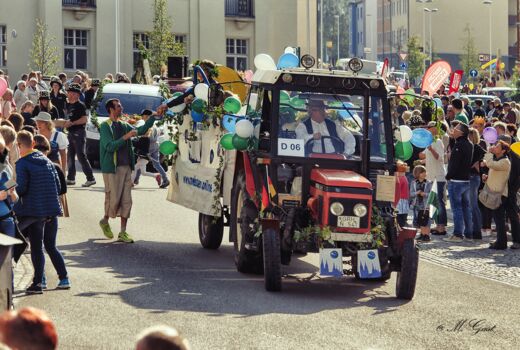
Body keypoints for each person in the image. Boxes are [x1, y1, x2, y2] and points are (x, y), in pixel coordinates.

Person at [98, 98, 158, 243]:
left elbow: (141, 130)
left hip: (126, 167)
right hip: (112, 168)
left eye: (120, 106)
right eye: (118, 106)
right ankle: (105, 221)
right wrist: (126, 137)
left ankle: (123, 232)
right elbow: (109, 147)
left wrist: (153, 117)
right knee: (113, 199)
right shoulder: (106, 126)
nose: (121, 108)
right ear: (111, 109)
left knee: (126, 200)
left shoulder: (124, 125)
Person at [14, 131, 63, 294]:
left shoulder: (22, 163)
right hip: (45, 211)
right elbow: (57, 186)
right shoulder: (47, 161)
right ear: (33, 144)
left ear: (20, 145)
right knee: (37, 246)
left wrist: (9, 188)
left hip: (29, 210)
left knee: (16, 239)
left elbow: (22, 188)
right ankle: (37, 283)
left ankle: (35, 281)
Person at [33, 135, 70, 289]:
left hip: (37, 212)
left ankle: (40, 279)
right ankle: (64, 278)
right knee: (51, 246)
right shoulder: (55, 167)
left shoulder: (32, 165)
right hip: (53, 211)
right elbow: (63, 189)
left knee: (36, 247)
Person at [444, 122, 473, 242]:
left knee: (457, 208)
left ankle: (458, 234)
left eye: (455, 129)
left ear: (461, 132)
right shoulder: (469, 144)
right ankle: (468, 234)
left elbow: (454, 164)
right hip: (466, 179)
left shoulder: (459, 145)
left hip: (456, 181)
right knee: (466, 207)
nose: (453, 130)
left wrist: (448, 176)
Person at [64, 83, 96, 187]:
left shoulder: (80, 105)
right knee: (70, 156)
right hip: (70, 132)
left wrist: (72, 123)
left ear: (78, 95)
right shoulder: (68, 105)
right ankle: (71, 178)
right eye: (69, 93)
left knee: (81, 155)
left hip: (79, 133)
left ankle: (91, 178)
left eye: (73, 93)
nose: (70, 95)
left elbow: (84, 119)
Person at [481, 140, 511, 250]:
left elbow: (491, 164)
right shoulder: (498, 159)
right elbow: (495, 170)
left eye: (497, 146)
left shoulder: (505, 161)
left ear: (503, 150)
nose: (494, 147)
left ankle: (501, 243)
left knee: (499, 219)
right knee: (498, 219)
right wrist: (487, 178)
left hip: (500, 194)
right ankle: (500, 241)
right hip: (494, 192)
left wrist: (488, 152)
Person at [422, 121, 447, 236]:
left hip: (439, 176)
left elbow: (439, 158)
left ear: (435, 129)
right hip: (431, 176)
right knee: (434, 202)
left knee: (440, 203)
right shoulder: (428, 142)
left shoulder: (438, 141)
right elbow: (424, 155)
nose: (427, 129)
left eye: (429, 127)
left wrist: (431, 150)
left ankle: (442, 227)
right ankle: (437, 226)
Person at [133, 109, 169, 188]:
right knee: (155, 164)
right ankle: (165, 179)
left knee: (141, 161)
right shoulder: (155, 125)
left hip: (149, 146)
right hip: (156, 145)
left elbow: (147, 138)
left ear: (146, 116)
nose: (142, 117)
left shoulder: (149, 126)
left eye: (143, 116)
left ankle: (136, 179)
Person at [468, 128, 486, 240]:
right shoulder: (469, 147)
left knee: (473, 204)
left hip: (473, 178)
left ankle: (477, 230)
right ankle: (472, 229)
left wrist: (478, 163)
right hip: (469, 177)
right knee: (470, 205)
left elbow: (486, 158)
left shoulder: (477, 148)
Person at [410, 165, 433, 241]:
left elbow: (432, 194)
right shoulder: (413, 183)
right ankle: (422, 234)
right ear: (417, 173)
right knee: (420, 220)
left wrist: (425, 194)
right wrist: (417, 193)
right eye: (422, 172)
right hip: (417, 204)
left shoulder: (429, 183)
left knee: (427, 220)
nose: (424, 174)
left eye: (425, 172)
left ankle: (427, 235)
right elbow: (411, 194)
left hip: (426, 205)